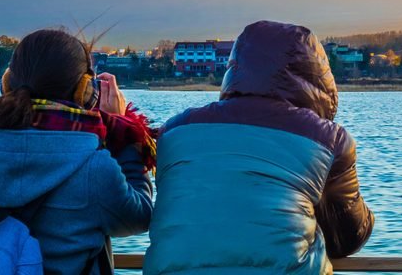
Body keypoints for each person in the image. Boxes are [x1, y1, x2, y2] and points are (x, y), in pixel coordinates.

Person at [144, 20, 374, 275]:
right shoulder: (328, 140)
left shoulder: (173, 130)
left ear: (236, 67)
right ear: (317, 78)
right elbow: (346, 238)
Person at [0, 29, 155, 274]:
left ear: (7, 83)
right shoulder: (94, 168)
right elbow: (140, 215)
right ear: (86, 91)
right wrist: (124, 134)